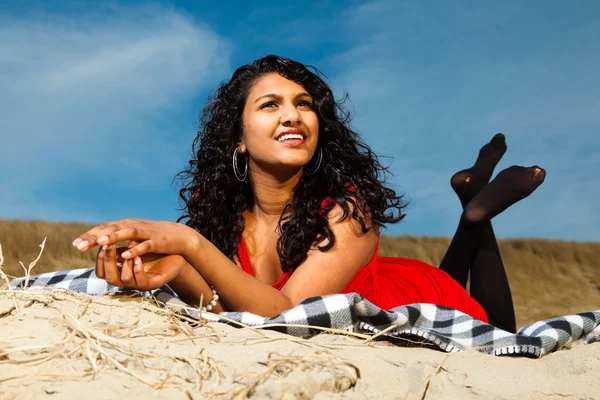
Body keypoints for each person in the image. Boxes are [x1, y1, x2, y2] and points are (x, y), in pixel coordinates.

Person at [72, 55, 545, 334]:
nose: (294, 115)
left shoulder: (347, 209)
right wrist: (174, 271)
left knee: (504, 335)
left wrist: (188, 245)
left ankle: (477, 218)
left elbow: (286, 315)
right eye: (270, 105)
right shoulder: (218, 212)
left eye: (304, 105)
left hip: (415, 297)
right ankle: (470, 203)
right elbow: (228, 307)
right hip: (379, 279)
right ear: (237, 138)